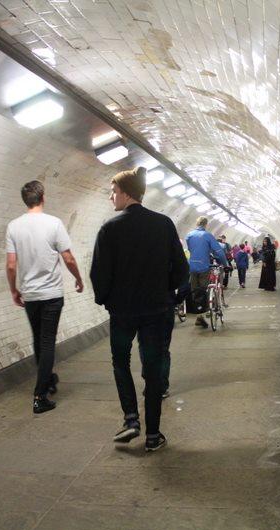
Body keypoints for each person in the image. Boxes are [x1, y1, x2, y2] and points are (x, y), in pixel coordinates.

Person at [90, 167, 189, 452]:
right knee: (153, 368)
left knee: (120, 361)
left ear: (124, 193)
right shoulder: (164, 224)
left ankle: (131, 419)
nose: (111, 198)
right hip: (157, 310)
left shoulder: (110, 228)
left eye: (113, 192)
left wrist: (106, 300)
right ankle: (153, 434)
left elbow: (99, 273)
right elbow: (180, 268)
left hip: (122, 312)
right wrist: (166, 291)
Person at [6, 180, 84, 414]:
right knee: (48, 341)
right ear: (43, 198)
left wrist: (14, 289)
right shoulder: (54, 224)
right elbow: (68, 258)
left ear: (25, 200)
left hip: (30, 294)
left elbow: (11, 265)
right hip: (51, 293)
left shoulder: (13, 226)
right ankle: (40, 395)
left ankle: (48, 379)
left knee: (39, 339)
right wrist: (78, 278)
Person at [185, 216, 228, 328]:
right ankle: (203, 314)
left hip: (192, 266)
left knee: (195, 291)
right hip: (204, 266)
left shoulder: (189, 235)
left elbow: (190, 249)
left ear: (197, 223)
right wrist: (225, 264)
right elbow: (218, 251)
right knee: (204, 290)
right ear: (205, 224)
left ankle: (197, 314)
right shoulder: (207, 235)